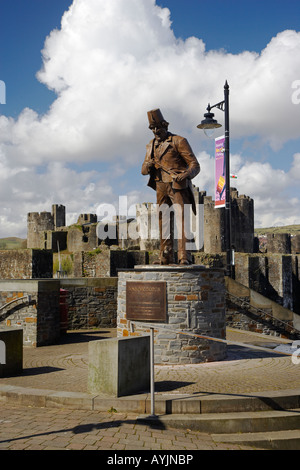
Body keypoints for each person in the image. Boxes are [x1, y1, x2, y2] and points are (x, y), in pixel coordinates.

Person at [141, 108, 200, 265]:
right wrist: (149, 163)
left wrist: (186, 174)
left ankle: (184, 257)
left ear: (164, 125)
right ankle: (166, 256)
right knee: (164, 220)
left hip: (177, 186)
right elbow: (143, 170)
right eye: (152, 129)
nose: (155, 131)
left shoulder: (179, 141)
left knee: (182, 220)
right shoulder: (150, 145)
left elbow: (194, 165)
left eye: (157, 128)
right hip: (160, 186)